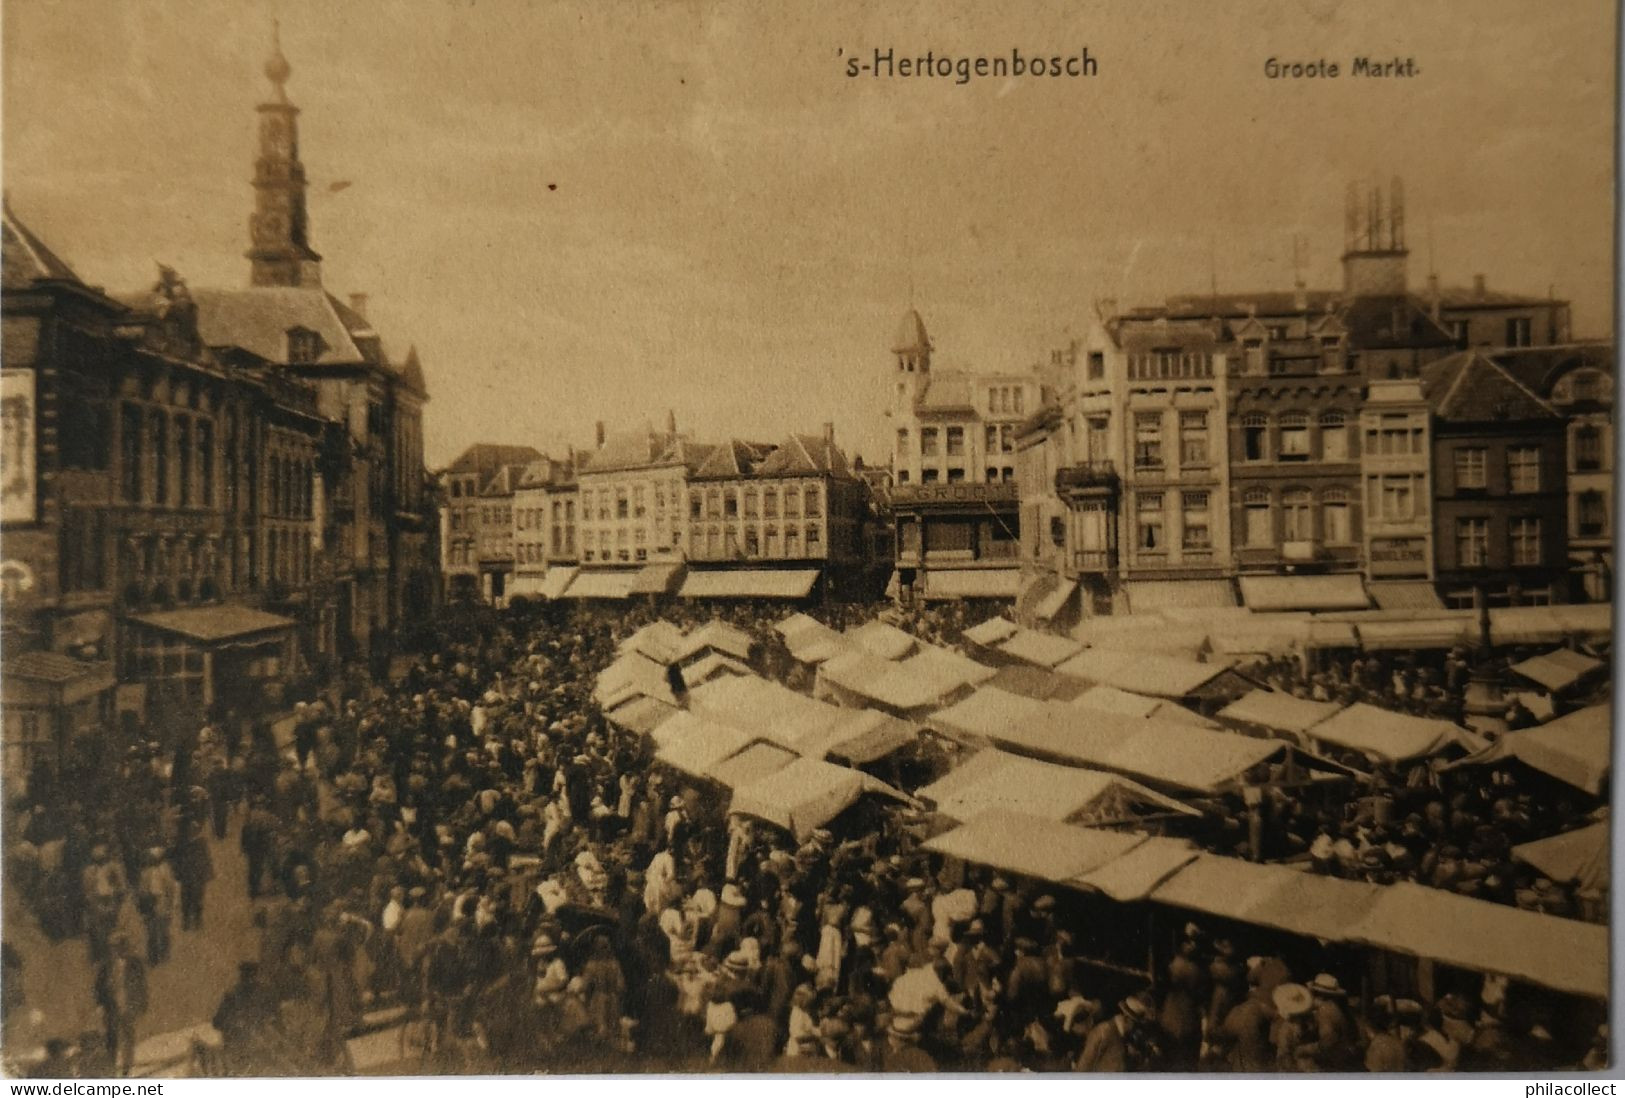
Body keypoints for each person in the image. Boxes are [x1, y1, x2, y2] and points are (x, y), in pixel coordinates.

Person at [93, 931, 148, 1076]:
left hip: (128, 1005)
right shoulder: (105, 965)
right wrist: (99, 1005)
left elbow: (142, 985)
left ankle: (126, 1067)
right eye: (115, 947)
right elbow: (98, 987)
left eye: (122, 946)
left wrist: (142, 1003)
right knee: (111, 1038)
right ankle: (111, 1067)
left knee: (128, 1036)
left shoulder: (136, 964)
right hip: (111, 1006)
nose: (119, 950)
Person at [136, 847, 181, 967]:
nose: (151, 861)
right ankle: (153, 957)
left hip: (162, 903)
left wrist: (171, 905)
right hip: (149, 904)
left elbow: (171, 889)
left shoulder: (165, 871)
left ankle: (164, 955)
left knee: (163, 930)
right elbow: (141, 891)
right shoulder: (145, 873)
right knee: (151, 932)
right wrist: (142, 906)